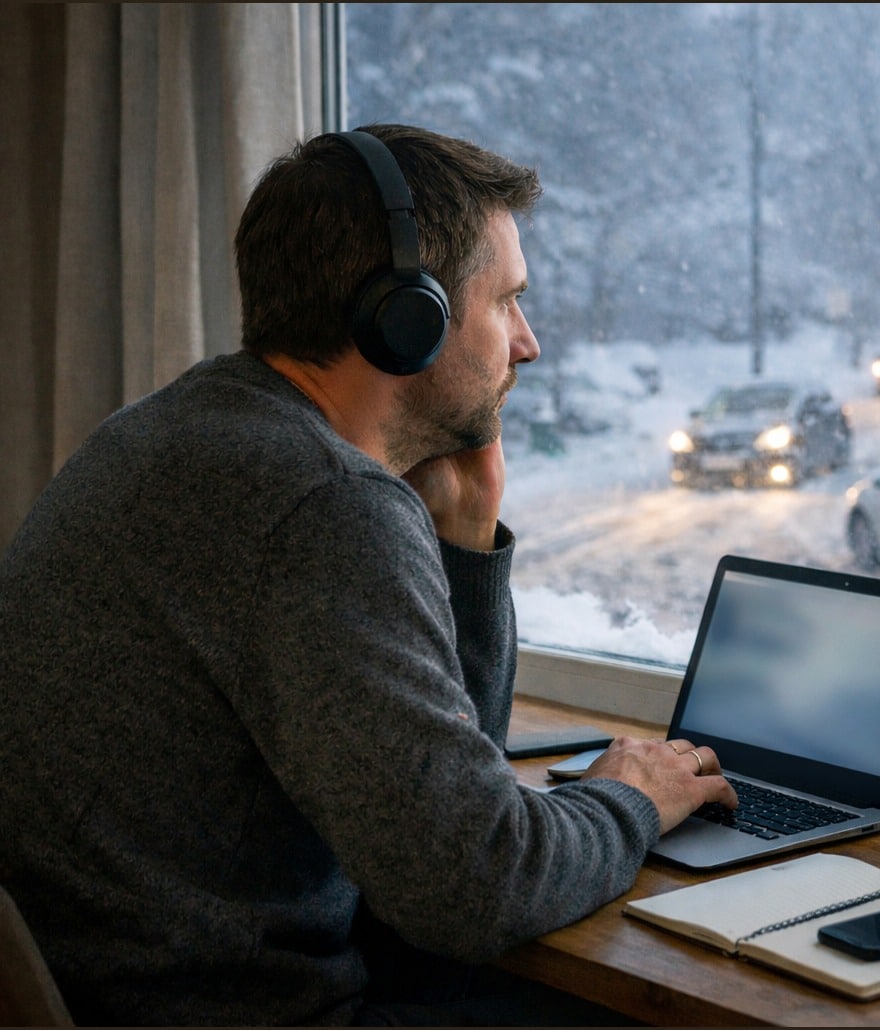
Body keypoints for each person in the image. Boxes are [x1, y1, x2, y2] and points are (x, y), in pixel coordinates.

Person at [0, 124, 736, 1026]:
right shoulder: (321, 504)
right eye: (506, 301)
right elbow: (474, 886)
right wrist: (635, 799)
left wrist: (464, 543)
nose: (529, 343)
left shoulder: (177, 428)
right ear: (407, 315)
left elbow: (439, 802)